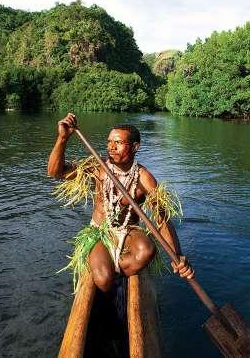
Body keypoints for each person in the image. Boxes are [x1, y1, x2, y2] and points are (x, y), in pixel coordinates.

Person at [47, 112, 194, 292]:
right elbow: (55, 172)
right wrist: (62, 138)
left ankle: (115, 270)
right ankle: (108, 271)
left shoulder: (144, 179)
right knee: (103, 280)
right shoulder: (98, 168)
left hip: (129, 231)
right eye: (109, 142)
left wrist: (177, 256)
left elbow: (162, 219)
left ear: (134, 147)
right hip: (99, 231)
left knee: (147, 250)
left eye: (118, 143)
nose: (111, 147)